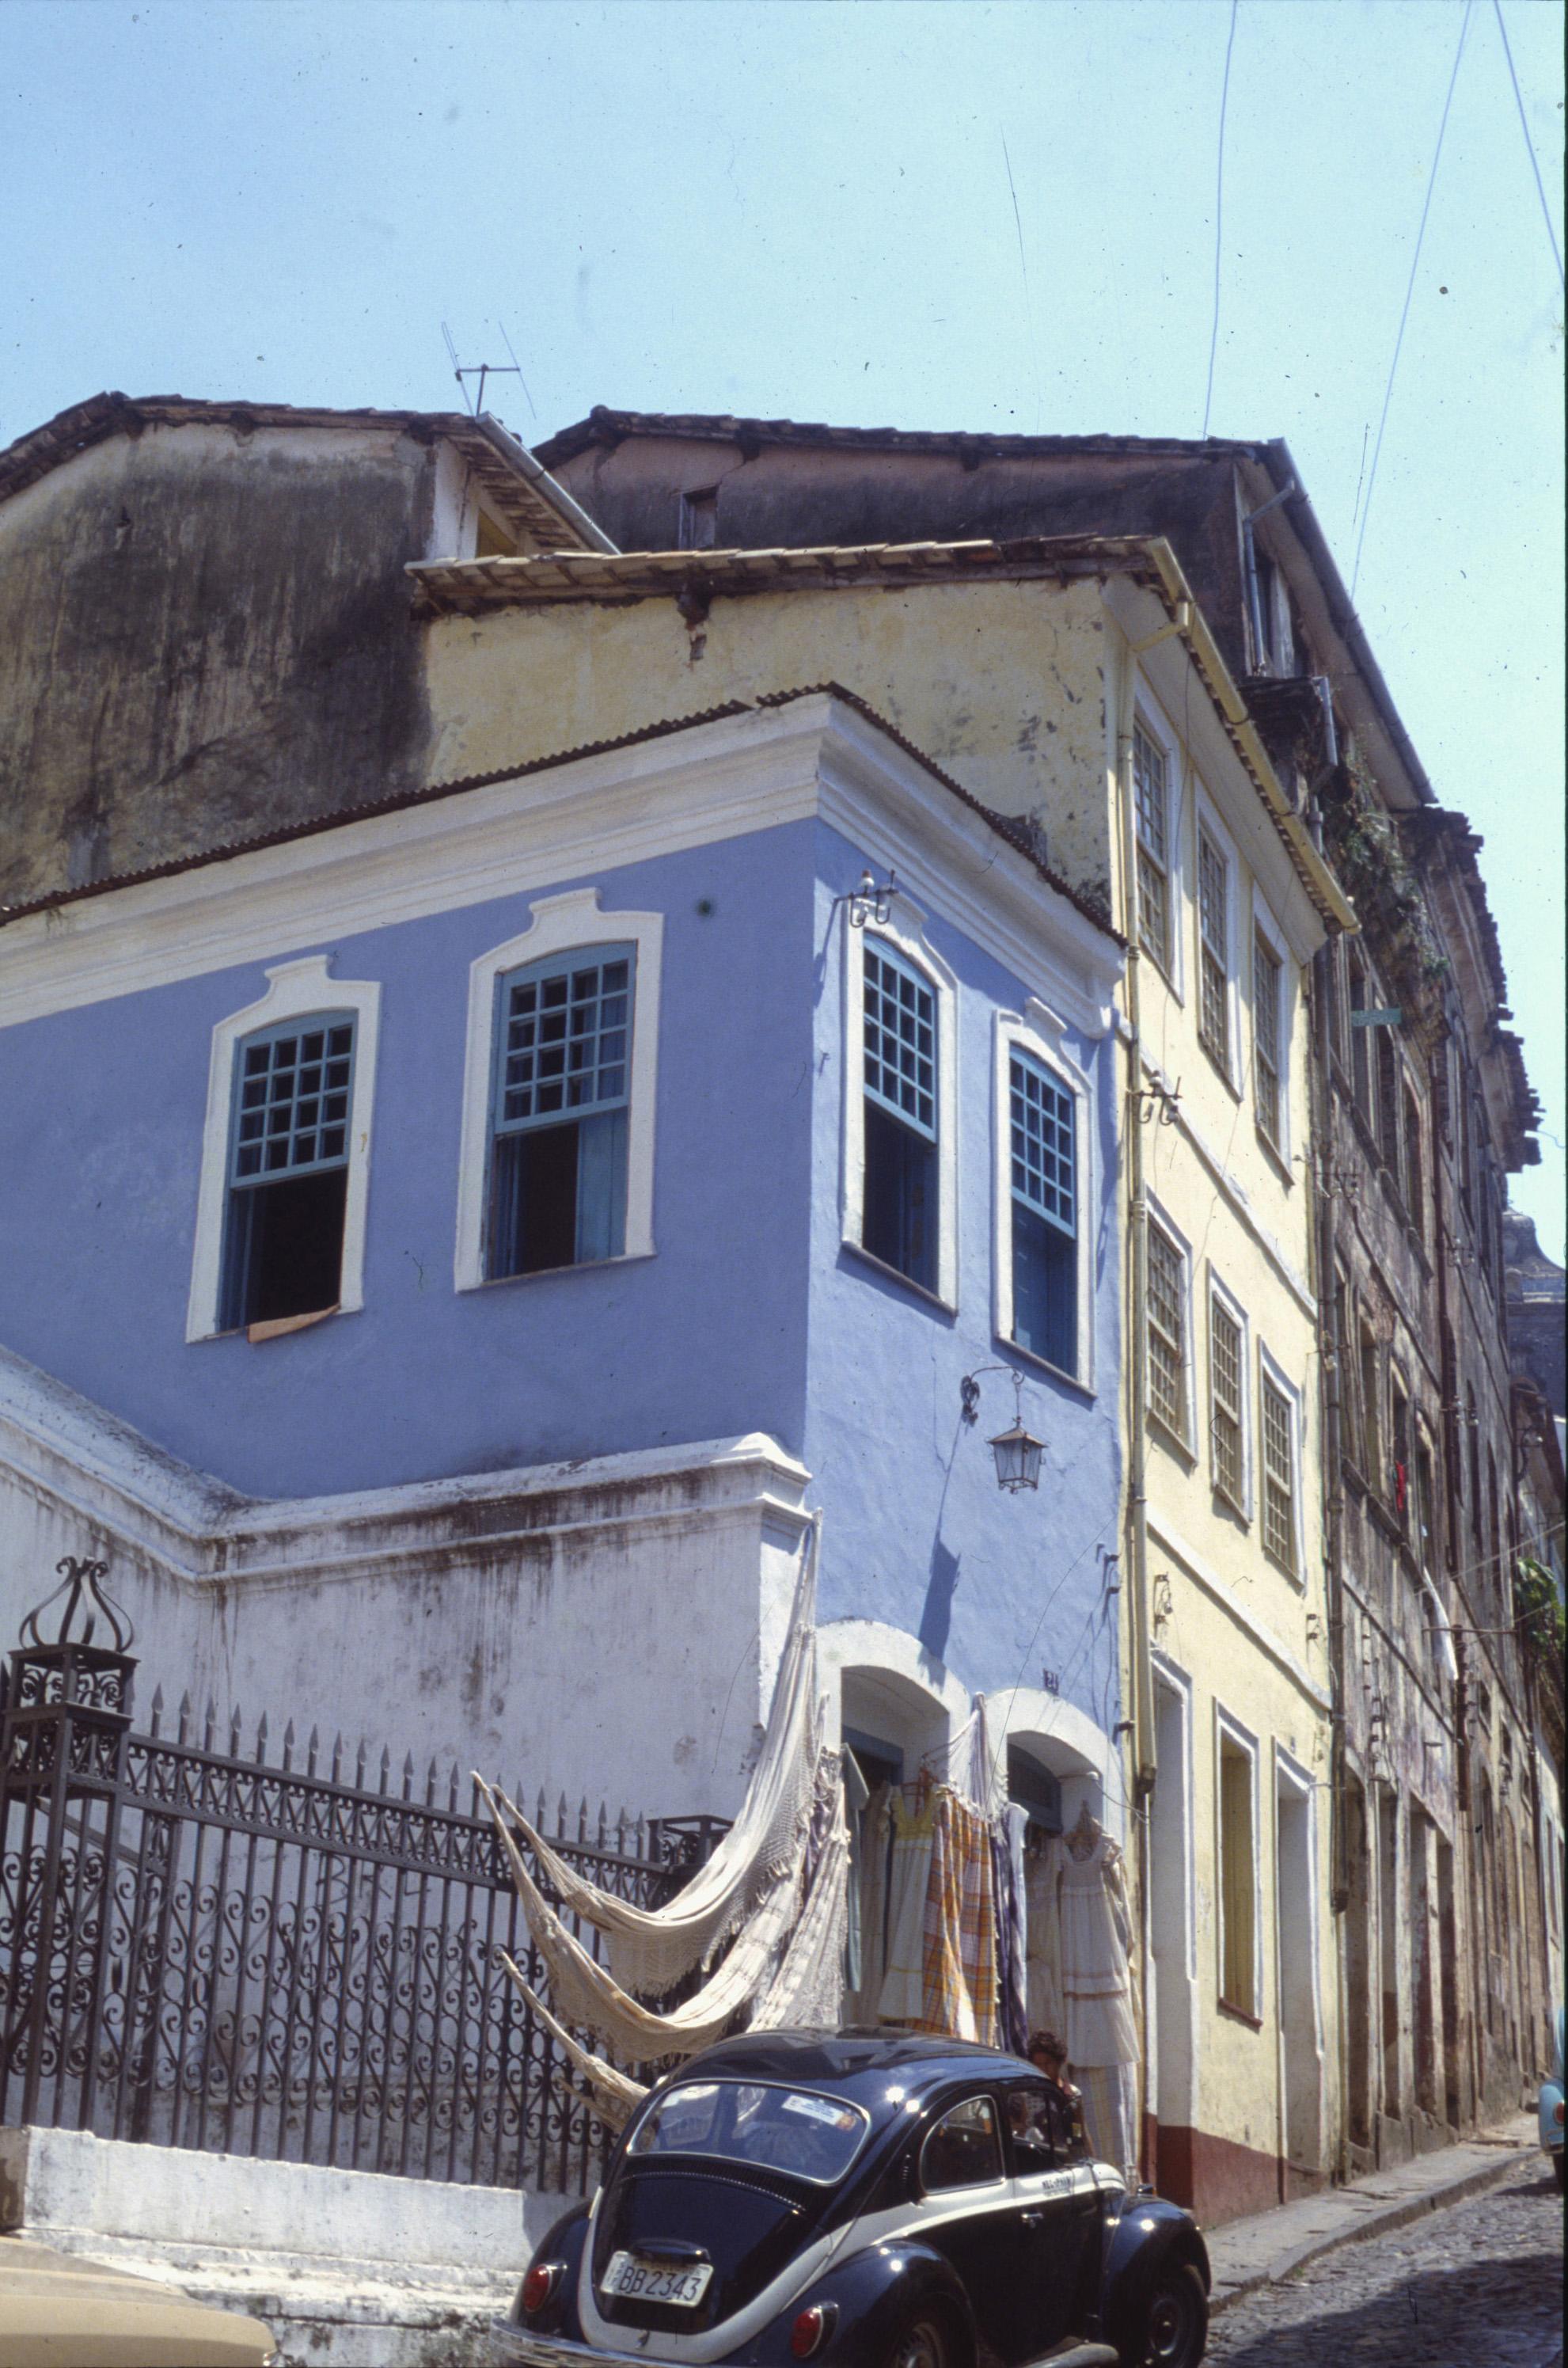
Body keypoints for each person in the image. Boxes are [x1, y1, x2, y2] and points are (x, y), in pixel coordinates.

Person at [1026, 2029, 1086, 2154]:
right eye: (1038, 2064)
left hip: (1065, 2157)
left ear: (1059, 2062)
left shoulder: (1072, 2095)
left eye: (1048, 2063)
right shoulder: (1027, 2096)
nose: (1043, 2069)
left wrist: (1086, 2156)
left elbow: (1079, 2131)